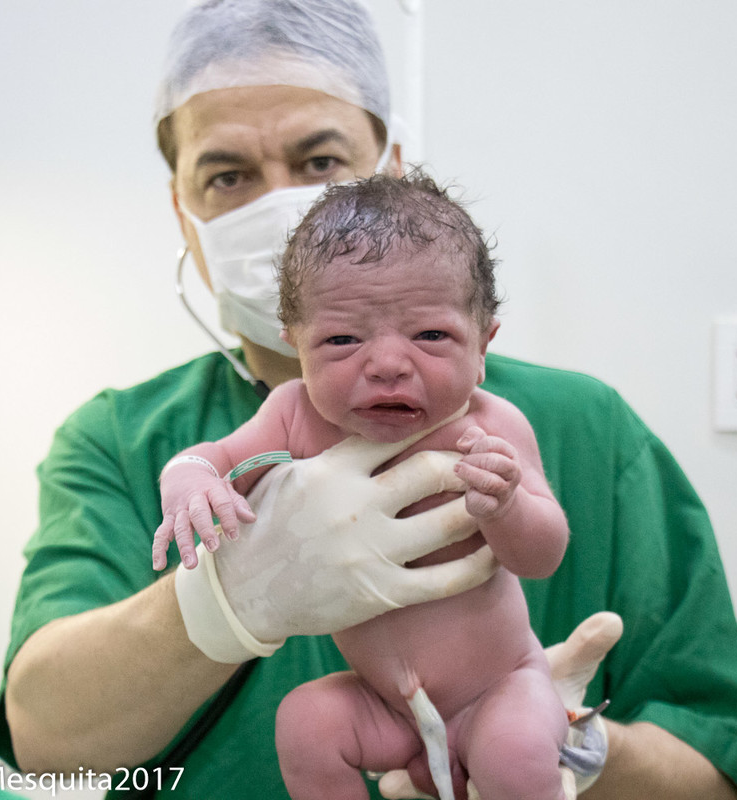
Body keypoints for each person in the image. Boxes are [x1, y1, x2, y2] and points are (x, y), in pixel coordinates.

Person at [0, 2, 737, 799]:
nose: (283, 208)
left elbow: (713, 772)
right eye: (227, 176)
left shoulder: (583, 431)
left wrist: (572, 748)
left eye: (321, 161)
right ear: (184, 217)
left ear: (389, 173)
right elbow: (48, 742)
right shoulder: (119, 440)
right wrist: (227, 599)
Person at [154, 171, 572, 799]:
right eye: (342, 340)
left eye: (431, 335)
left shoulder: (491, 426)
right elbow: (211, 458)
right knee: (306, 722)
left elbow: (543, 556)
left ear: (484, 342)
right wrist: (188, 481)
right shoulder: (296, 415)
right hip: (387, 706)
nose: (385, 364)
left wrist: (507, 505)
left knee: (515, 752)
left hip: (499, 688)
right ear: (294, 344)